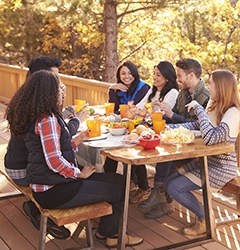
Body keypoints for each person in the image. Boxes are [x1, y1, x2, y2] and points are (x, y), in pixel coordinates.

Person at [5, 70, 143, 248]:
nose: (62, 91)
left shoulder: (37, 115)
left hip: (49, 183)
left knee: (118, 180)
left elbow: (51, 149)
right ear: (49, 92)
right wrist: (79, 174)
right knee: (121, 188)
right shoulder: (48, 120)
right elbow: (54, 160)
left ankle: (106, 232)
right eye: (59, 88)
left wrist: (78, 139)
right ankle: (112, 235)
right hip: (54, 191)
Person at [4, 56, 88, 239]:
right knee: (77, 172)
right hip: (23, 169)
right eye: (55, 79)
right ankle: (40, 210)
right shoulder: (39, 109)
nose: (60, 83)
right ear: (41, 78)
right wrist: (76, 120)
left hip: (13, 161)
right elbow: (59, 136)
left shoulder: (26, 99)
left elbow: (56, 129)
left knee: (73, 168)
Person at [164, 69, 240, 236]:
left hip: (221, 167)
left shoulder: (233, 112)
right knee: (168, 182)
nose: (209, 87)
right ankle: (204, 216)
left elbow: (210, 138)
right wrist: (166, 129)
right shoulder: (215, 104)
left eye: (211, 84)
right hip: (205, 161)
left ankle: (205, 219)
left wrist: (198, 109)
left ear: (222, 87)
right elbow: (196, 126)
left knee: (174, 187)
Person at [139, 58, 210, 219]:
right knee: (162, 148)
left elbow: (199, 125)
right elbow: (175, 118)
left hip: (198, 148)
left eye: (179, 76)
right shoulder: (184, 93)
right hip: (183, 142)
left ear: (191, 76)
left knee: (165, 155)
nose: (177, 79)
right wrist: (162, 115)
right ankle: (162, 199)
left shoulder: (206, 98)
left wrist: (172, 115)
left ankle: (160, 194)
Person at [104, 61, 179, 204]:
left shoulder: (172, 93)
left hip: (161, 133)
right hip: (145, 129)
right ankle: (131, 187)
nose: (155, 78)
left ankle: (130, 188)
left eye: (158, 75)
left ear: (167, 78)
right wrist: (142, 111)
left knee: (131, 150)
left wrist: (144, 111)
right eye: (154, 74)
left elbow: (159, 115)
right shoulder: (153, 91)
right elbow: (138, 108)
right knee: (123, 148)